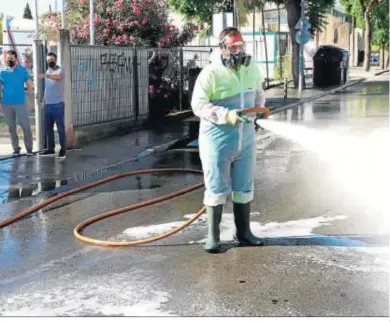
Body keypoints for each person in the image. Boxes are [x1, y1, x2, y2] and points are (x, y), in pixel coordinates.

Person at [191, 27, 267, 253]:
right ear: (222, 48)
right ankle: (213, 237)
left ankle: (243, 233)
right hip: (218, 139)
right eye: (233, 47)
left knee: (244, 185)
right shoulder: (210, 73)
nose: (238, 50)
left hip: (246, 139)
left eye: (240, 45)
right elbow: (198, 105)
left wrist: (260, 109)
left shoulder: (251, 67)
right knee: (216, 186)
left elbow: (259, 92)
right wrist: (226, 115)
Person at [0, 50, 34, 156]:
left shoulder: (22, 70)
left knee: (26, 126)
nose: (9, 60)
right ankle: (16, 148)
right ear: (5, 59)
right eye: (8, 58)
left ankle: (29, 148)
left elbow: (29, 85)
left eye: (12, 58)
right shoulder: (2, 72)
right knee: (11, 127)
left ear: (16, 59)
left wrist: (31, 100)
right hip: (6, 104)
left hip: (20, 103)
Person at [38, 52, 66, 159]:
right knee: (48, 128)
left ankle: (63, 150)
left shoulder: (59, 69)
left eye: (52, 59)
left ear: (55, 59)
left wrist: (46, 75)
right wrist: (43, 101)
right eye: (48, 60)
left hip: (58, 104)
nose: (50, 61)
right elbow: (47, 88)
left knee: (60, 128)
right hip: (48, 105)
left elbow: (58, 77)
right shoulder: (47, 71)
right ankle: (51, 149)